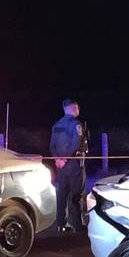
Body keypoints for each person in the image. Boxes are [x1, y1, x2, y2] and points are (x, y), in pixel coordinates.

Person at [50, 99, 86, 232]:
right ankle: (78, 224)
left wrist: (57, 160)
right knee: (77, 194)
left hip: (60, 167)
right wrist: (65, 159)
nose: (78, 109)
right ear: (72, 108)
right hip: (74, 164)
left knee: (62, 194)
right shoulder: (76, 124)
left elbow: (52, 146)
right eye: (76, 107)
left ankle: (61, 224)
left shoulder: (56, 125)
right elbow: (76, 144)